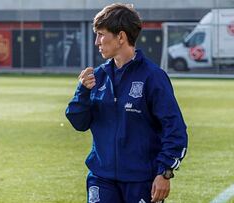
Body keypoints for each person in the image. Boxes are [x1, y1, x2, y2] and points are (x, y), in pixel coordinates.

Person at [65, 3, 188, 203]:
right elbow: (79, 123)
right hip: (101, 178)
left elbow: (175, 130)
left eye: (101, 34)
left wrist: (165, 172)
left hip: (141, 181)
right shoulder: (97, 77)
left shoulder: (153, 77)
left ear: (121, 37)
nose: (97, 41)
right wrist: (83, 92)